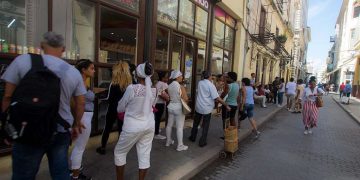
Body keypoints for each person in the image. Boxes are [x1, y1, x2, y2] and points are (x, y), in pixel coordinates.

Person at [1, 32, 86, 180]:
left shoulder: (22, 61)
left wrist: (8, 126)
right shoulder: (73, 72)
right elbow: (81, 102)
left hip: (26, 128)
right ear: (63, 49)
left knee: (23, 175)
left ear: (41, 46)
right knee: (60, 172)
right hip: (60, 130)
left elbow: (7, 97)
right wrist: (77, 123)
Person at [114, 62, 156, 180]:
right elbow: (151, 106)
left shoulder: (132, 88)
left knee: (119, 152)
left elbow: (120, 107)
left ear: (137, 75)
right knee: (144, 155)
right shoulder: (153, 90)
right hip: (149, 125)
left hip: (132, 127)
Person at [96, 61, 133, 155]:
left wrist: (97, 94)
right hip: (124, 110)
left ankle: (103, 147)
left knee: (107, 128)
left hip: (113, 108)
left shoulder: (113, 83)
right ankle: (120, 150)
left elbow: (108, 97)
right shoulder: (131, 84)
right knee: (122, 129)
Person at [189, 71, 230, 147]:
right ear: (209, 76)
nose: (212, 77)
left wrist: (215, 83)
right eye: (211, 75)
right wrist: (226, 105)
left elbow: (210, 91)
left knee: (196, 123)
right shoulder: (211, 85)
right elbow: (217, 97)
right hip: (206, 108)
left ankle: (192, 137)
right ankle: (202, 142)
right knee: (205, 126)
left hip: (198, 107)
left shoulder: (200, 82)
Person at [70, 59, 95, 180]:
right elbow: (75, 102)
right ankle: (75, 175)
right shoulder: (79, 82)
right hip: (83, 116)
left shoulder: (83, 82)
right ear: (83, 70)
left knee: (78, 147)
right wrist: (77, 120)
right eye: (91, 68)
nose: (94, 71)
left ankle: (75, 169)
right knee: (79, 147)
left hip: (84, 116)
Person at [165, 70, 189, 151]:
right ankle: (180, 145)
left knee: (169, 125)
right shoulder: (180, 86)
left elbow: (169, 96)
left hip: (170, 106)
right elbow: (185, 98)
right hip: (178, 107)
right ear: (177, 77)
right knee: (179, 127)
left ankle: (168, 141)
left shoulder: (169, 85)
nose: (182, 77)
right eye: (181, 76)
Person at [154, 71, 169, 140]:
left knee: (156, 118)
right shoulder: (164, 84)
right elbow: (161, 94)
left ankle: (156, 130)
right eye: (166, 77)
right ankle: (156, 133)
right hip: (160, 103)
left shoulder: (157, 83)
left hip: (156, 103)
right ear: (162, 78)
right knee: (158, 118)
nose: (167, 78)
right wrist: (167, 98)